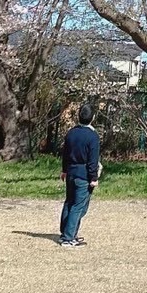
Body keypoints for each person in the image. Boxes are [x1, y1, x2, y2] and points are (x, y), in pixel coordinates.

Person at [59, 103, 103, 247]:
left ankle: (65, 232)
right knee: (79, 206)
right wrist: (94, 178)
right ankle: (68, 237)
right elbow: (93, 160)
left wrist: (64, 170)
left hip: (71, 172)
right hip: (83, 175)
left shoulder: (71, 132)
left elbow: (65, 154)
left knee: (69, 202)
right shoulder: (93, 136)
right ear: (93, 117)